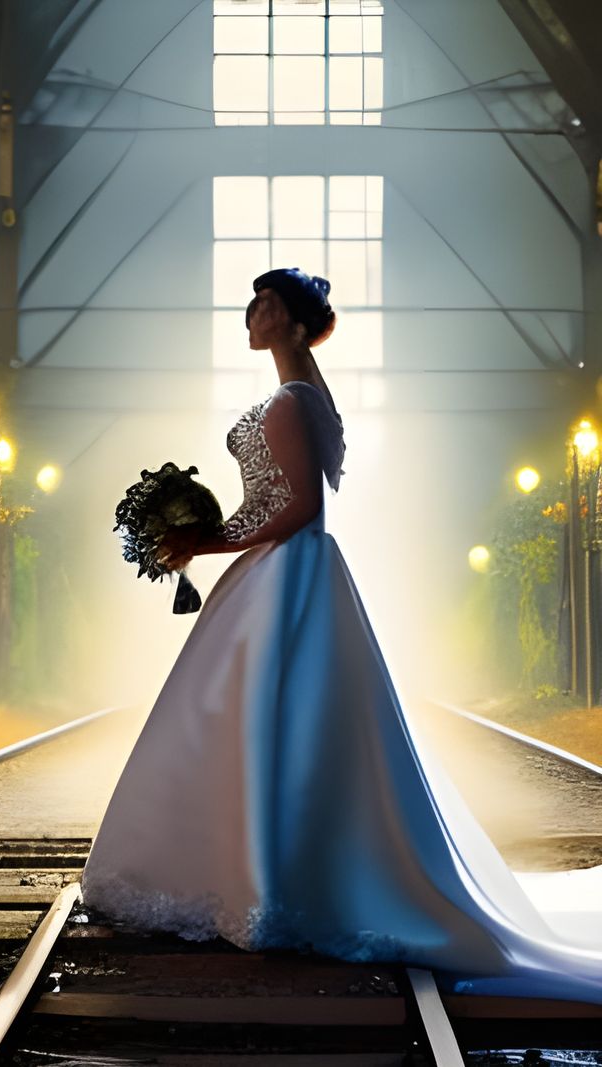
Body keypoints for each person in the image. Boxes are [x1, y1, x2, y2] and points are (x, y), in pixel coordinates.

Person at [79, 268, 602, 1002]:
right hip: (276, 572)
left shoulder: (293, 401)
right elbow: (274, 500)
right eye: (253, 301)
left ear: (293, 325)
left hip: (288, 571)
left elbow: (296, 507)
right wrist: (207, 532)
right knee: (260, 725)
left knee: (266, 722)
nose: (251, 311)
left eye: (266, 303)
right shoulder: (295, 397)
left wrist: (205, 542)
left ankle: (267, 883)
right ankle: (253, 873)